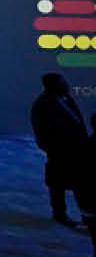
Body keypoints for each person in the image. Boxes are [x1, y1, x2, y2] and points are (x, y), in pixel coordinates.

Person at [33, 71, 91, 226]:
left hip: (76, 150)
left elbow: (77, 122)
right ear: (53, 85)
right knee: (57, 184)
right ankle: (60, 214)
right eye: (62, 82)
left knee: (79, 183)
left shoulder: (66, 99)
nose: (67, 85)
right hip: (59, 152)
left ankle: (85, 214)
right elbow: (41, 129)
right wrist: (51, 148)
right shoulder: (43, 103)